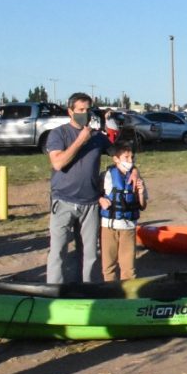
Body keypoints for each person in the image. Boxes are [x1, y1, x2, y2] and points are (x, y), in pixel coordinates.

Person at [45, 92, 111, 284]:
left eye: (87, 110)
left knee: (89, 253)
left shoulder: (98, 136)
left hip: (90, 203)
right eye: (80, 110)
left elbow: (118, 153)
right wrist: (81, 139)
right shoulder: (59, 134)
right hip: (63, 200)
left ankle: (86, 290)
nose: (85, 113)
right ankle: (54, 293)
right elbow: (58, 163)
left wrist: (132, 170)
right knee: (58, 251)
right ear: (70, 111)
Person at [99, 140, 148, 281]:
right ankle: (110, 294)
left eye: (132, 157)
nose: (130, 160)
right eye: (126, 158)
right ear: (116, 159)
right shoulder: (106, 176)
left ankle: (128, 297)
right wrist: (100, 200)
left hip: (128, 227)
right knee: (108, 266)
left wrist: (140, 192)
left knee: (128, 268)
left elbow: (143, 206)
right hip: (109, 227)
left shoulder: (137, 178)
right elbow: (95, 194)